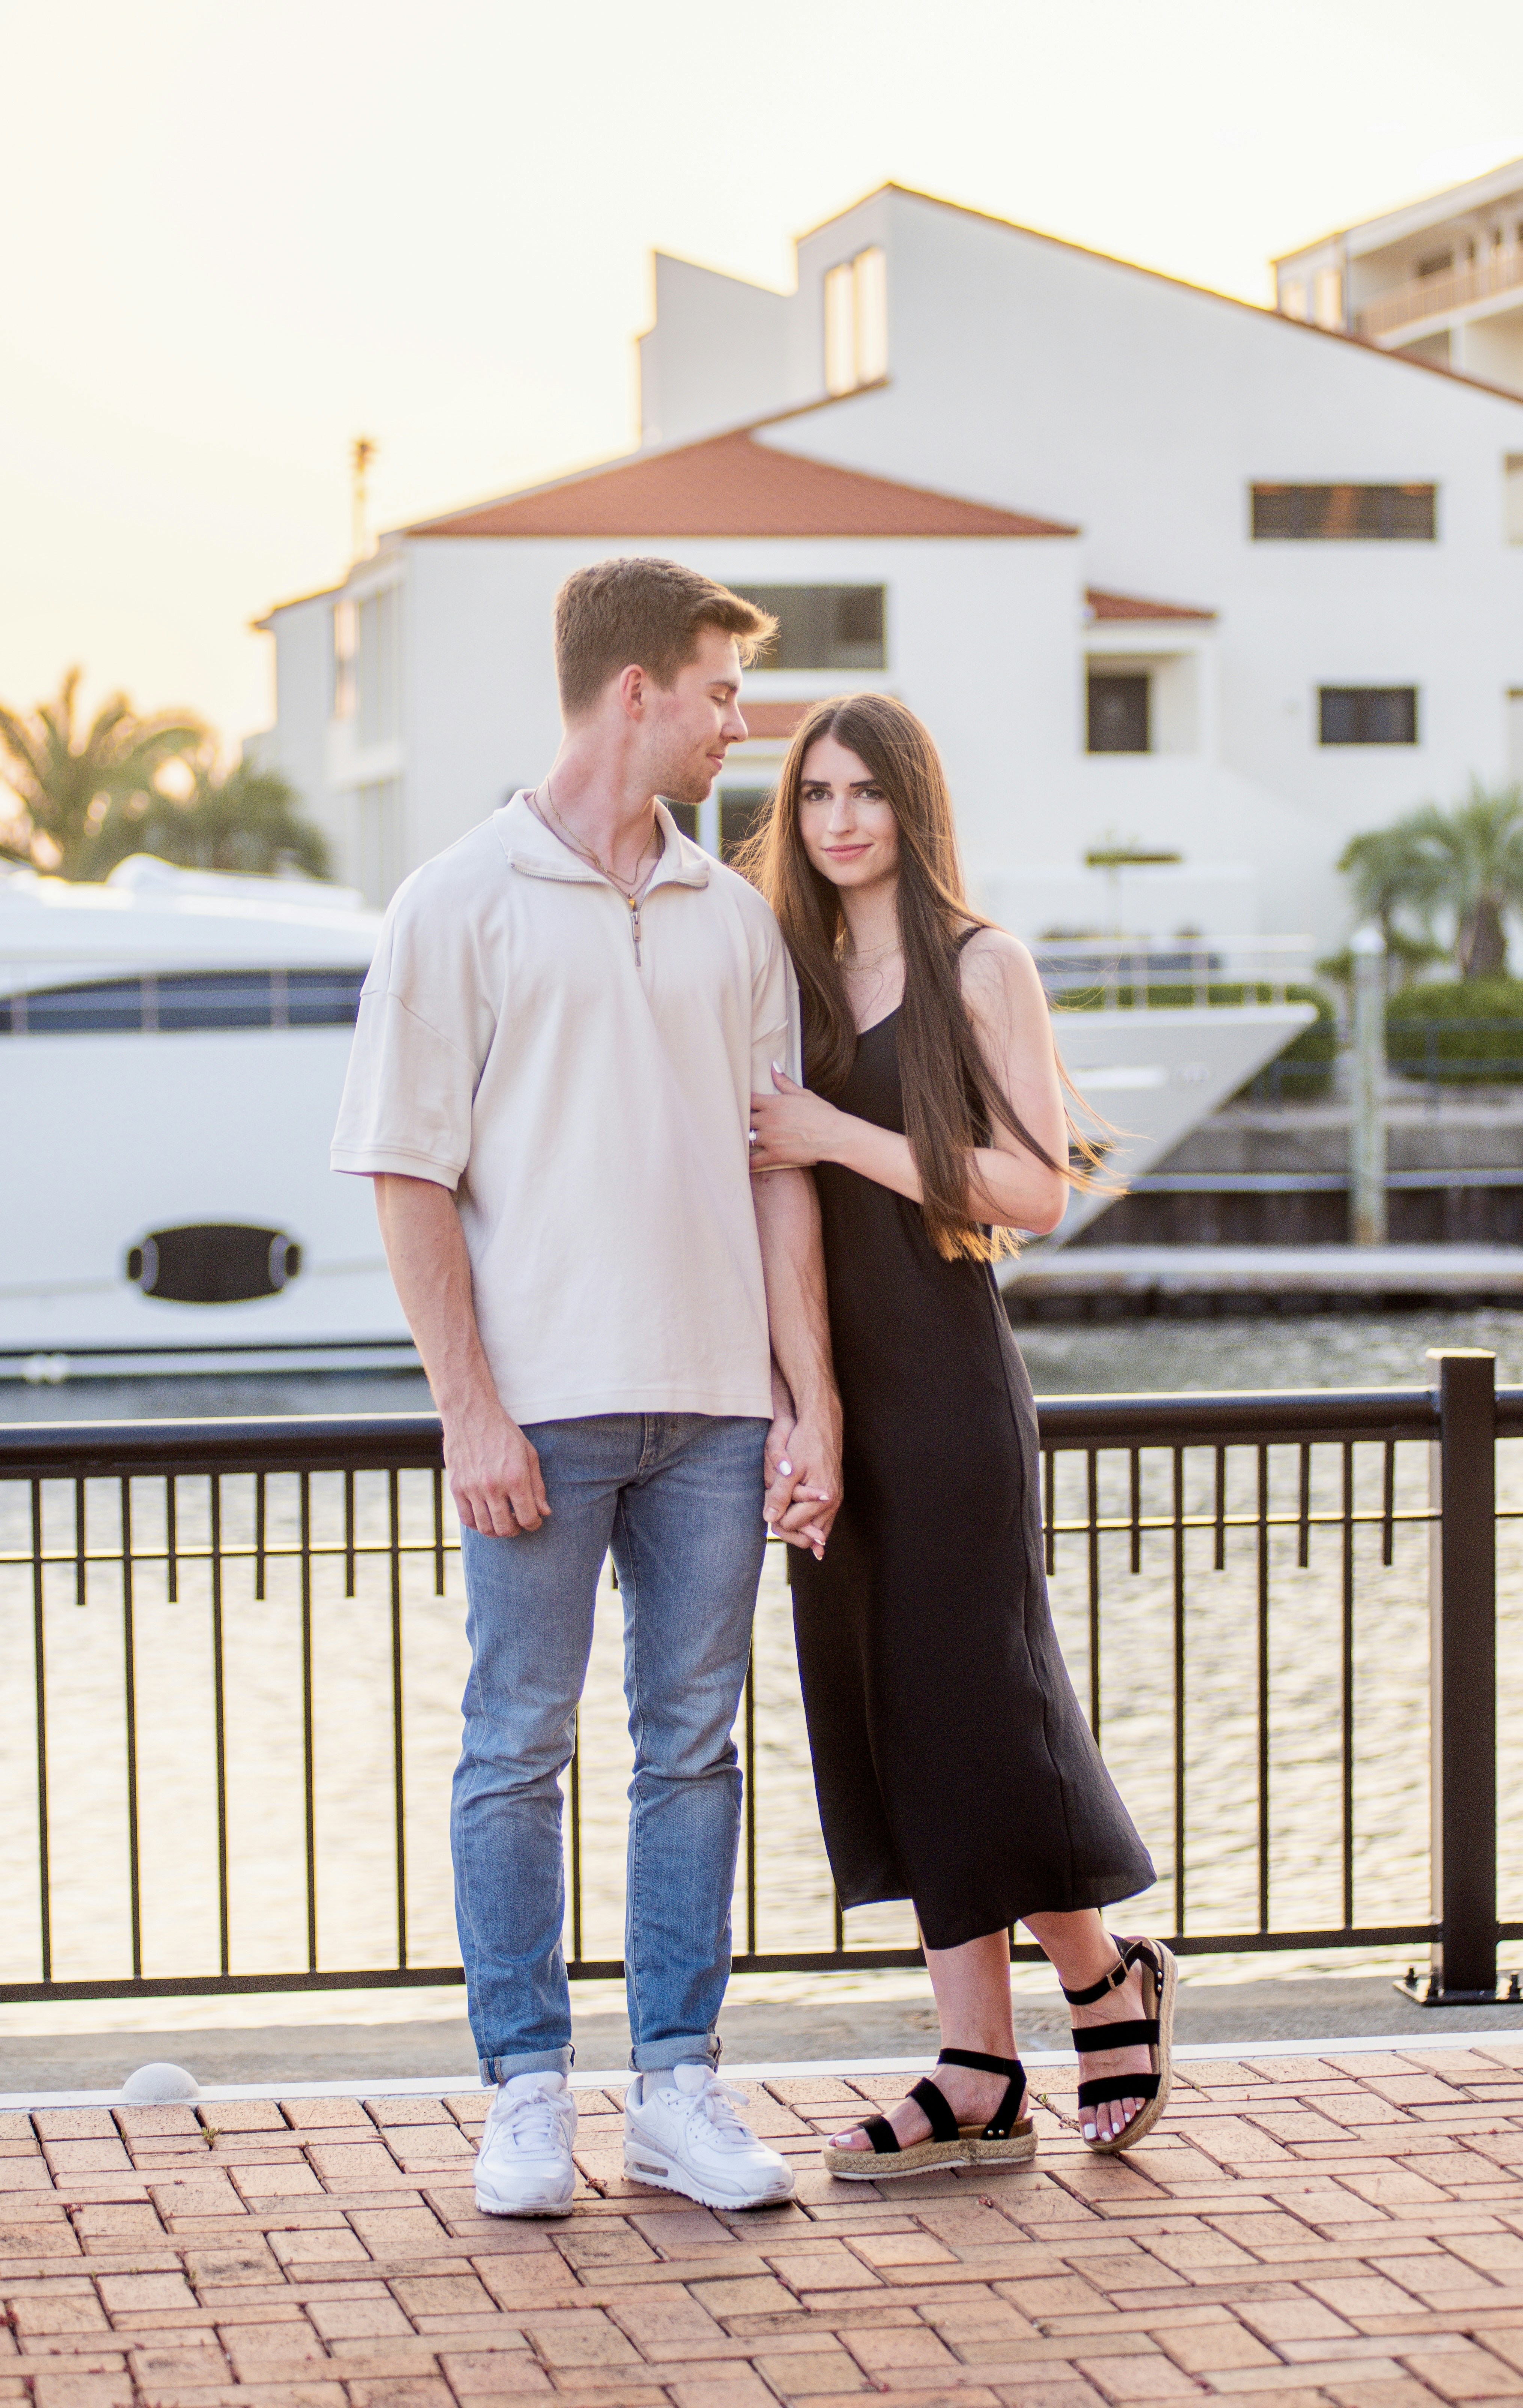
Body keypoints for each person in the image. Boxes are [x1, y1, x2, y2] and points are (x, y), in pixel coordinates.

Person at [332, 556, 842, 2219]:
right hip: (539, 1414)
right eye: (719, 691)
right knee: (515, 1746)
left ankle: (677, 2088)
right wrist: (468, 1407)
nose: (737, 723)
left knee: (692, 1746)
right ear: (637, 689)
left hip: (716, 1412)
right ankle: (527, 2092)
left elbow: (776, 1170)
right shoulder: (455, 900)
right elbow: (407, 1173)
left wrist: (808, 1398)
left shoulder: (732, 916)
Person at [745, 693, 1171, 2171]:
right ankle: (978, 2063)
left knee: (975, 1707)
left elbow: (1032, 1188)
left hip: (946, 1389)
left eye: (864, 791)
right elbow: (765, 1195)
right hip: (830, 1391)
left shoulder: (981, 962)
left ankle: (1096, 1979)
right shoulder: (786, 975)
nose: (838, 820)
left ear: (910, 804)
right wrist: (796, 1404)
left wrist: (831, 1131)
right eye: (815, 794)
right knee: (892, 1716)